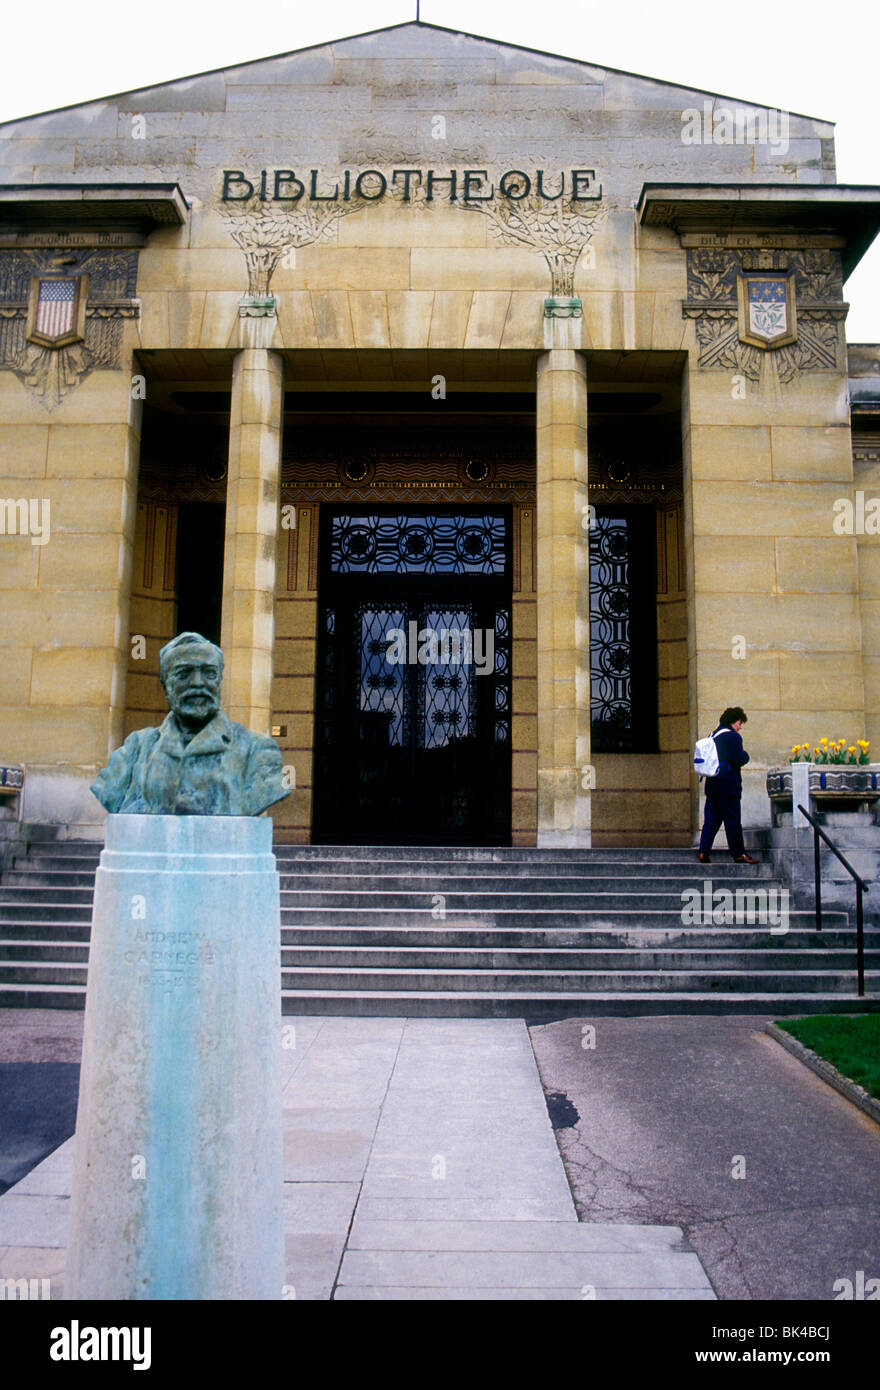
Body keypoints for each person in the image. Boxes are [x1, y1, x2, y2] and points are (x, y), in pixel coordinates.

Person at [90, 632, 289, 817]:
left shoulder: (258, 751)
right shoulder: (134, 750)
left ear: (219, 681)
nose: (197, 683)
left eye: (209, 673)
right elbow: (111, 794)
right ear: (165, 686)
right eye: (183, 673)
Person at [698, 706, 757, 864]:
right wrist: (746, 756)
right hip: (729, 787)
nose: (740, 726)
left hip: (712, 785)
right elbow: (739, 758)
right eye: (739, 722)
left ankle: (703, 851)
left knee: (711, 821)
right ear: (733, 721)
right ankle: (738, 854)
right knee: (732, 822)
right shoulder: (733, 737)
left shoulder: (713, 735)